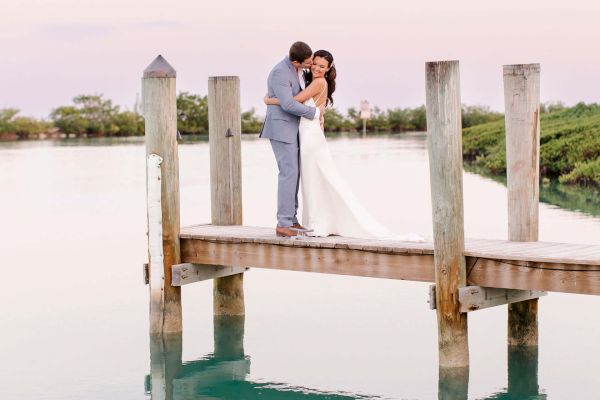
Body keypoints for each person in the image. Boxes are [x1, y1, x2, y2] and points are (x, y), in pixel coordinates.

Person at [264, 50, 423, 241]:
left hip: (311, 136)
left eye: (322, 66)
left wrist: (269, 100)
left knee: (317, 176)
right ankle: (314, 220)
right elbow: (305, 105)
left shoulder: (319, 83)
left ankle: (319, 221)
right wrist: (319, 114)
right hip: (306, 133)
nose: (316, 68)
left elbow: (291, 103)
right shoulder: (310, 81)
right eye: (314, 64)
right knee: (313, 177)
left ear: (328, 69)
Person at [260, 41, 325, 238]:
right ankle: (284, 223)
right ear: (295, 61)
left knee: (294, 173)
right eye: (307, 63)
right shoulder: (280, 72)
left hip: (294, 128)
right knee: (288, 173)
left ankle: (292, 220)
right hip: (281, 128)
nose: (310, 66)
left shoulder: (299, 70)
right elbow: (288, 104)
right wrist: (314, 113)